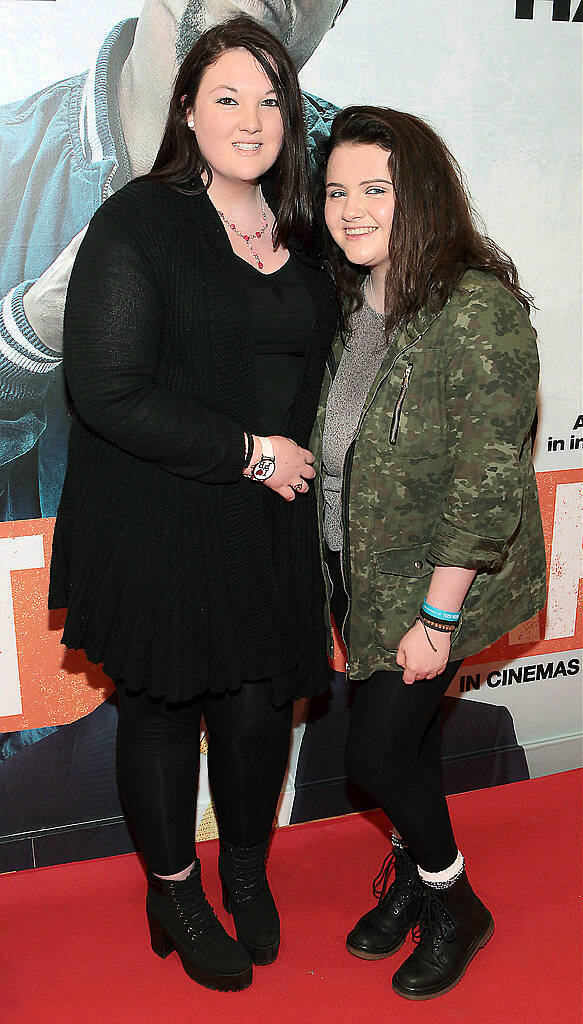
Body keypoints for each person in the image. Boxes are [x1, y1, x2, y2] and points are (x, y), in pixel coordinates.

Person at [0, 0, 349, 864]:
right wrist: (30, 335)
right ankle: (174, 890)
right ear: (187, 111)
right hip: (156, 522)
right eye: (226, 98)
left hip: (270, 524)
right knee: (161, 712)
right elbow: (114, 396)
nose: (252, 118)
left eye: (268, 100)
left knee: (259, 712)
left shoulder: (337, 185)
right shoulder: (113, 210)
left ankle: (246, 876)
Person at [311, 106, 546, 1000]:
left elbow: (486, 485)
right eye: (337, 191)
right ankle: (414, 877)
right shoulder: (346, 302)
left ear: (424, 196)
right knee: (408, 750)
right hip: (358, 576)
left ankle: (455, 903)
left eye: (377, 189)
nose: (352, 209)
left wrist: (437, 618)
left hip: (433, 587)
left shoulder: (475, 312)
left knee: (375, 759)